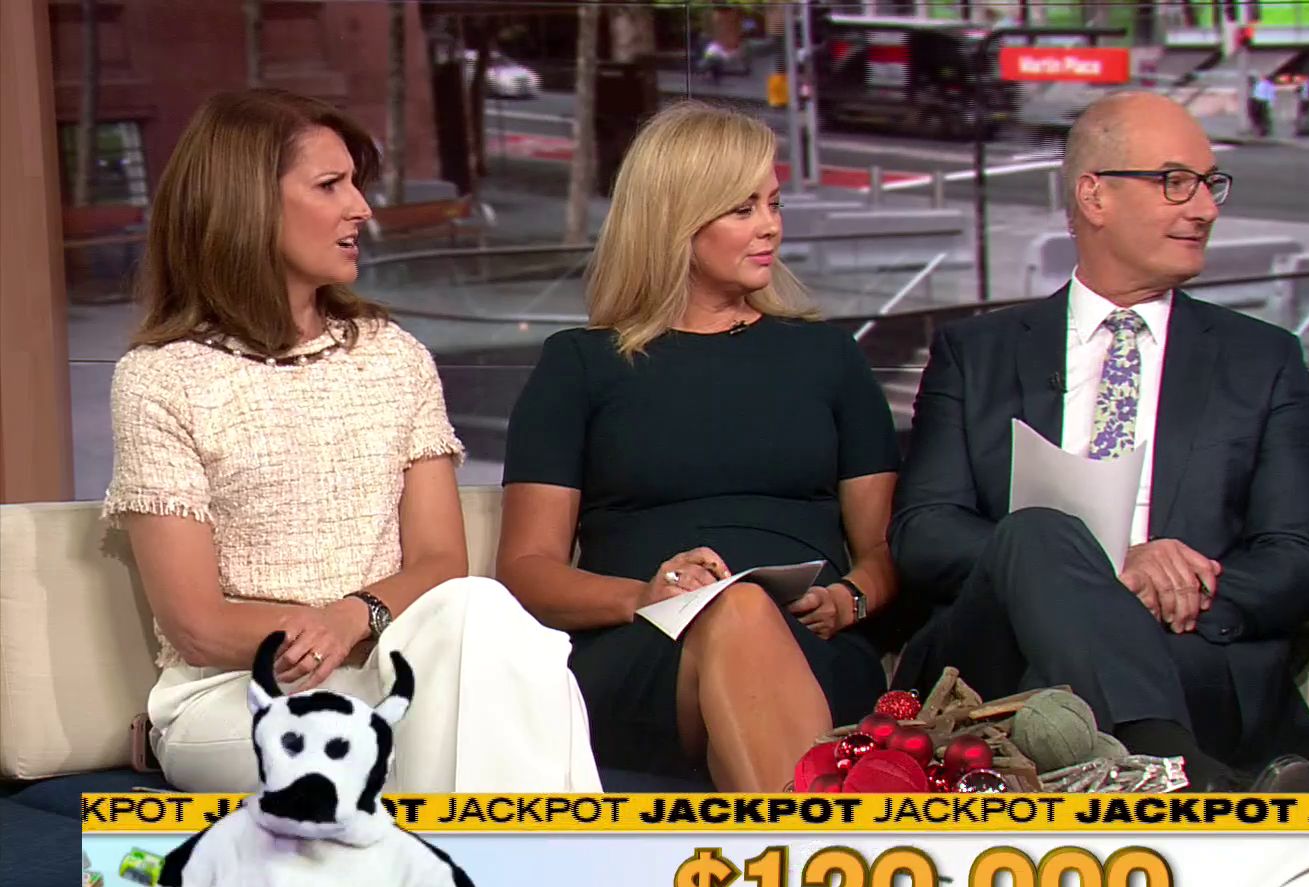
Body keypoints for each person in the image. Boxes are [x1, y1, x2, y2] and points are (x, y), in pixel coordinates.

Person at [105, 89, 600, 794]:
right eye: (330, 185)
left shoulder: (394, 357)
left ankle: (489, 863)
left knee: (482, 612)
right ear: (249, 204)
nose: (361, 208)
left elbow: (441, 564)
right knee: (476, 719)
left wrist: (353, 617)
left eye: (356, 184)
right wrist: (320, 631)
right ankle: (549, 862)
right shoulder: (160, 380)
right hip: (242, 695)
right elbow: (197, 625)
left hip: (389, 666)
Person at [888, 93, 1309, 792]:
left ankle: (1156, 763)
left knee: (1072, 672)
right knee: (1038, 533)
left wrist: (1162, 592)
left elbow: (1297, 558)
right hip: (994, 661)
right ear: (1094, 195)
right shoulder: (977, 354)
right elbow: (925, 533)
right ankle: (1188, 777)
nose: (1205, 209)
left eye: (1210, 184)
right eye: (1175, 182)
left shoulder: (1263, 359)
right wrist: (1106, 566)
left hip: (1182, 651)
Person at [496, 103, 899, 792]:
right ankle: (815, 850)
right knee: (738, 606)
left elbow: (886, 550)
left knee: (748, 609)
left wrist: (851, 599)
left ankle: (789, 846)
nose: (770, 225)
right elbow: (527, 571)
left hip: (813, 647)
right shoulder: (580, 366)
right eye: (742, 208)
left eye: (773, 203)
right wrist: (646, 596)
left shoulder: (828, 358)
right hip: (644, 650)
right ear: (676, 221)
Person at [1251, 73, 1278, 138]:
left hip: (1263, 102)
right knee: (1264, 117)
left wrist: (1271, 102)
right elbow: (1272, 94)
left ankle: (1266, 130)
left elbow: (1271, 94)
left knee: (1265, 117)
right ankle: (1265, 130)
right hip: (1261, 101)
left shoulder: (1265, 85)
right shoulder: (1261, 84)